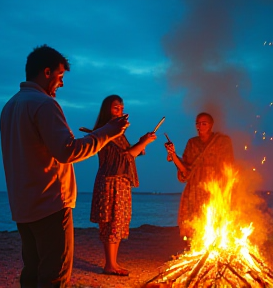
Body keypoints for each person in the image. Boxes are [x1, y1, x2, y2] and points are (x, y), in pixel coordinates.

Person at [0, 45, 129, 288]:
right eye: (60, 76)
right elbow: (68, 151)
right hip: (50, 205)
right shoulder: (44, 104)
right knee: (53, 276)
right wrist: (107, 132)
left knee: (32, 272)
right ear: (46, 72)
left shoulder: (9, 106)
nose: (62, 83)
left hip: (23, 206)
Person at [90, 95, 157, 276]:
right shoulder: (107, 130)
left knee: (118, 221)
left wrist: (141, 141)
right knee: (112, 220)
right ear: (107, 110)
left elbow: (127, 153)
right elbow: (125, 157)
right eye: (115, 108)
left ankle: (113, 262)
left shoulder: (118, 133)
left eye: (121, 108)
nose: (119, 111)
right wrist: (144, 142)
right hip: (111, 181)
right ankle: (109, 264)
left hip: (120, 181)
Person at [164, 112, 234, 247]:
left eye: (204, 123)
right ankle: (194, 250)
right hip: (195, 188)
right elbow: (185, 170)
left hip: (215, 187)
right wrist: (173, 155)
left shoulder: (222, 141)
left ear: (211, 125)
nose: (199, 126)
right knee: (192, 221)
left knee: (215, 219)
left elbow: (229, 166)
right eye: (197, 123)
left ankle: (215, 249)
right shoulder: (192, 143)